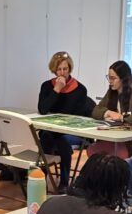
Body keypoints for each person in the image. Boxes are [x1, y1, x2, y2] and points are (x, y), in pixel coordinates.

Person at [37, 51, 92, 190]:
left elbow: (78, 117)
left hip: (71, 132)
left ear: (70, 69)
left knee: (63, 141)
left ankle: (64, 182)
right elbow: (43, 109)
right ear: (54, 70)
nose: (62, 73)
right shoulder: (47, 86)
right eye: (59, 69)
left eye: (65, 69)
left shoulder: (80, 89)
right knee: (44, 136)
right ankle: (41, 179)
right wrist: (56, 90)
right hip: (52, 129)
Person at [91, 60, 132, 127]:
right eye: (109, 77)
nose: (110, 81)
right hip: (112, 133)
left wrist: (122, 118)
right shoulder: (111, 92)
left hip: (129, 135)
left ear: (123, 79)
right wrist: (108, 113)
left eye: (113, 78)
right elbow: (95, 110)